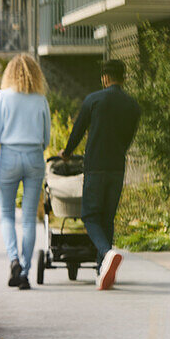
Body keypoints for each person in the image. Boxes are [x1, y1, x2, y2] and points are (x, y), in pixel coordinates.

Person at [61, 59, 141, 290]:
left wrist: (66, 153)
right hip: (117, 166)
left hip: (95, 166)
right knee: (107, 218)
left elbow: (78, 130)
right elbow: (127, 139)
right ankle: (101, 272)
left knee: (90, 216)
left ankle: (106, 255)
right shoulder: (133, 106)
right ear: (124, 78)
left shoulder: (93, 100)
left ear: (104, 78)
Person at [0, 53, 52, 291]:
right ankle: (25, 272)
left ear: (9, 74)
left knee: (7, 213)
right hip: (34, 157)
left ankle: (13, 261)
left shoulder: (2, 97)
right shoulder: (40, 99)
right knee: (30, 217)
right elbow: (46, 137)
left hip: (9, 155)